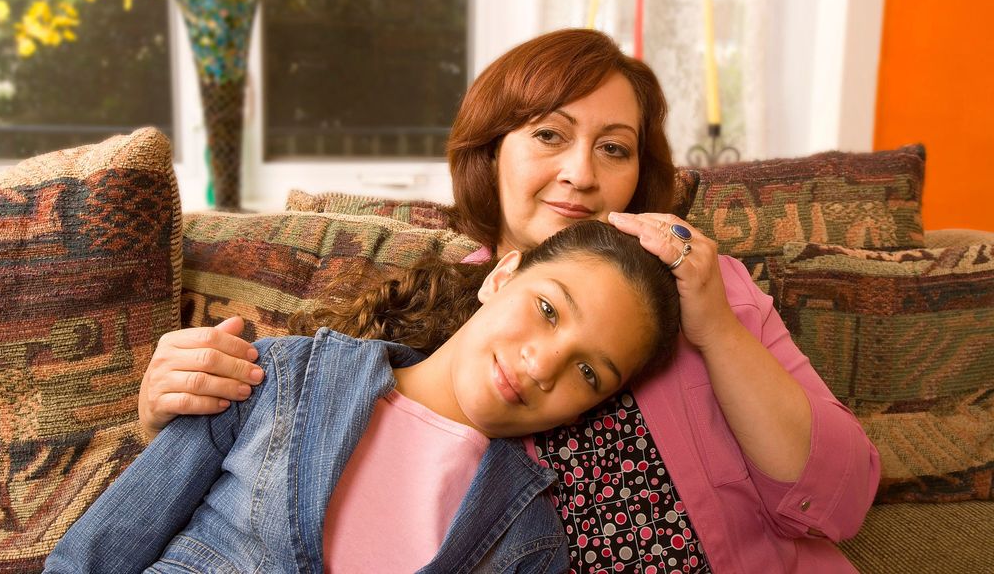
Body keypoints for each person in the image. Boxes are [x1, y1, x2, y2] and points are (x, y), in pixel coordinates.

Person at [136, 28, 881, 572]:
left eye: (614, 148)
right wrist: (168, 410)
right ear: (494, 153)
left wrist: (716, 328)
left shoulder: (709, 288)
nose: (581, 174)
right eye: (549, 134)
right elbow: (285, 467)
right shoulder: (429, 303)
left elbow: (840, 501)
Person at [45, 221, 681, 573]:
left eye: (590, 373)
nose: (543, 364)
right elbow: (99, 550)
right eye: (546, 309)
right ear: (501, 275)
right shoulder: (274, 376)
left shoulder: (531, 546)